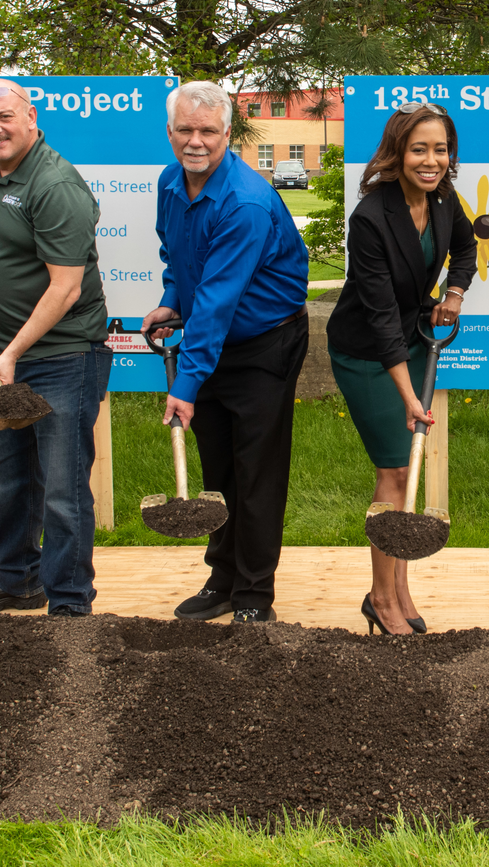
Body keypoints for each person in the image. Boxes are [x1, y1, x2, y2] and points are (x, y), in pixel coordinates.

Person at [143, 81, 309, 625]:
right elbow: (180, 257)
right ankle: (222, 578)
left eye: (208, 131)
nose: (196, 142)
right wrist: (171, 300)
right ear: (169, 133)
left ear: (227, 134)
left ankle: (255, 595)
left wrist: (184, 387)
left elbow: (215, 303)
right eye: (185, 130)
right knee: (217, 467)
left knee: (255, 470)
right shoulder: (171, 183)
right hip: (209, 337)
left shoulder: (245, 202)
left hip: (264, 342)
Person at [0, 79, 112, 617]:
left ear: (31, 117)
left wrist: (11, 352)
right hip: (10, 354)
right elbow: (5, 246)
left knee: (63, 489)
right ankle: (17, 579)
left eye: (3, 117)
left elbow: (64, 287)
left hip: (64, 357)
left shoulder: (56, 184)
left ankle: (68, 603)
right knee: (11, 476)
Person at [328, 102, 477, 634]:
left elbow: (465, 251)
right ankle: (380, 599)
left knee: (405, 470)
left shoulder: (442, 199)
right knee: (394, 469)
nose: (431, 159)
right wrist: (410, 394)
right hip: (366, 353)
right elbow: (379, 314)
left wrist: (453, 297)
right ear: (398, 153)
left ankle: (400, 590)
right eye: (420, 149)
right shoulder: (371, 217)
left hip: (411, 340)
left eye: (440, 149)